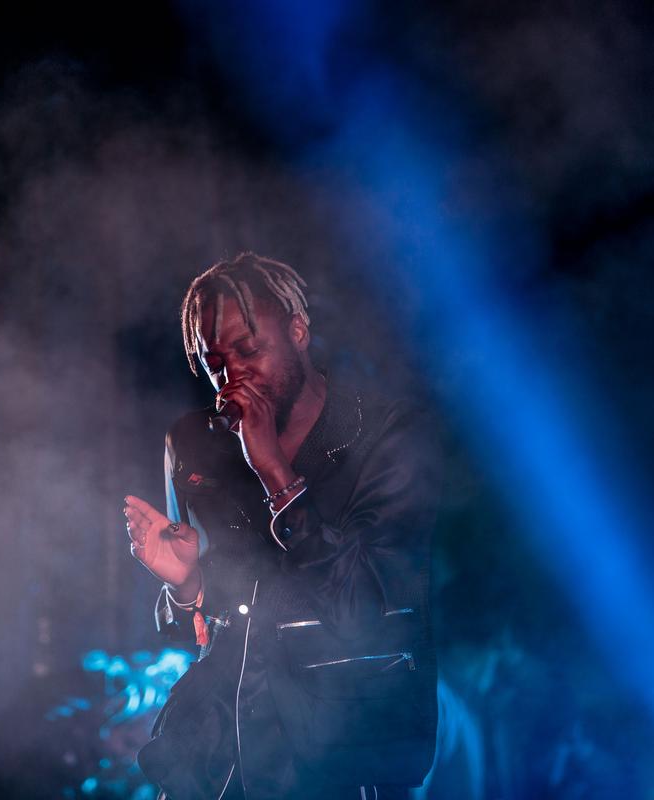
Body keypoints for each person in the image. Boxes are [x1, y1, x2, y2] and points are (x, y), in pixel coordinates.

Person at [124, 253, 442, 799]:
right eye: (214, 363)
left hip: (340, 754)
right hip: (221, 754)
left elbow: (365, 612)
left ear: (298, 331)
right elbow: (201, 630)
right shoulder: (194, 441)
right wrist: (186, 588)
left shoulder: (388, 436)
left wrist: (276, 474)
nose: (233, 376)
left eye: (249, 350)